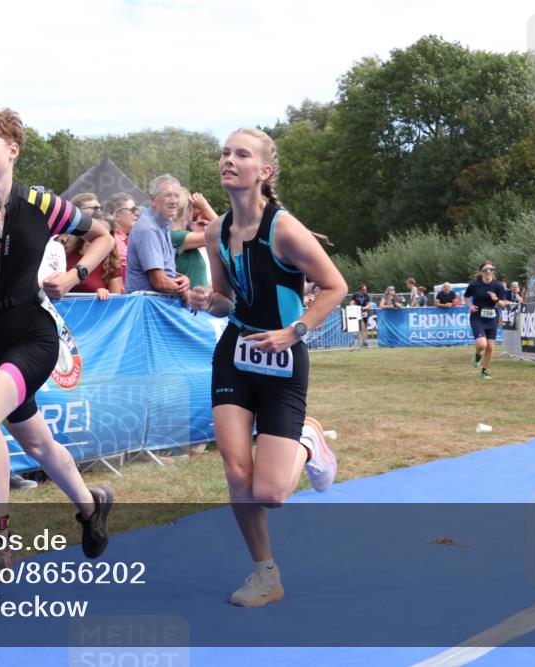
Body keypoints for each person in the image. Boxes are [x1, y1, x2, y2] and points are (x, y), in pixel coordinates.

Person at [0, 107, 116, 579]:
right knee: (37, 441)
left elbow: (104, 236)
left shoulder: (42, 203)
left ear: (12, 150)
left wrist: (74, 274)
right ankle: (91, 508)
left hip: (33, 332)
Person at [190, 127, 347, 607]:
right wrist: (205, 299)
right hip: (235, 355)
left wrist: (294, 331)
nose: (228, 160)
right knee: (237, 472)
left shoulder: (284, 229)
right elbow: (225, 300)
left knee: (272, 493)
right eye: (225, 153)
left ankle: (308, 439)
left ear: (264, 170)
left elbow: (335, 287)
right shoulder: (216, 231)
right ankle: (265, 574)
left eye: (241, 154)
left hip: (283, 359)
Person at [125, 175, 190, 299]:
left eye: (177, 196)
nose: (174, 201)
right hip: (146, 305)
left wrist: (182, 279)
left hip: (155, 303)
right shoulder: (148, 229)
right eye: (168, 195)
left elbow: (164, 272)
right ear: (153, 200)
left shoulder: (162, 225)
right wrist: (186, 293)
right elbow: (160, 282)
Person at [464, 262, 509, 380]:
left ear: (493, 271)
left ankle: (484, 371)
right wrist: (470, 306)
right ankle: (477, 355)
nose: (488, 272)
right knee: (481, 344)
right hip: (477, 316)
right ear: (481, 272)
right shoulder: (474, 285)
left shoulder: (498, 286)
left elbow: (503, 305)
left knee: (490, 347)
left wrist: (496, 299)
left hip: (492, 318)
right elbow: (466, 297)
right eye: (486, 270)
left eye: (491, 270)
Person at [59, 233, 124, 300]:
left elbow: (116, 300)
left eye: (103, 233)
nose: (98, 236)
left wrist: (104, 293)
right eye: (96, 231)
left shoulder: (112, 264)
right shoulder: (65, 253)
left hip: (93, 306)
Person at [171, 188, 210, 289]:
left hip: (196, 298)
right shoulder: (176, 236)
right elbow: (223, 232)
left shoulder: (180, 237)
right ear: (189, 210)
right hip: (188, 298)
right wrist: (205, 206)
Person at [104, 191, 138, 288]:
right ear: (116, 215)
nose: (137, 213)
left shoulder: (129, 239)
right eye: (132, 210)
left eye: (136, 209)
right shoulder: (110, 239)